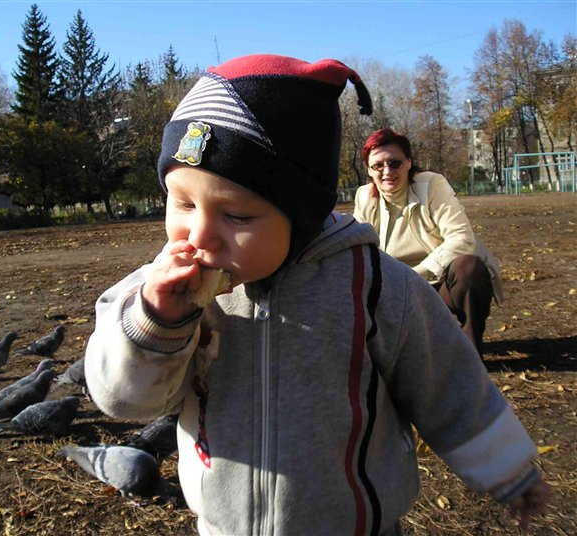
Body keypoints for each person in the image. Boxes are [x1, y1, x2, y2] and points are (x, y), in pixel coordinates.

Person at [84, 54, 550, 535]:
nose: (200, 235)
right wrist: (158, 324)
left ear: (300, 213)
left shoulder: (375, 286)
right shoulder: (160, 290)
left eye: (237, 216)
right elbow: (125, 401)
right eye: (182, 202)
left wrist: (509, 469)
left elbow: (449, 384)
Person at [354, 128, 503, 356]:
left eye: (395, 163)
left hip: (438, 281)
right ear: (369, 170)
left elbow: (461, 238)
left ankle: (471, 354)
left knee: (469, 268)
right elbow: (360, 252)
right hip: (394, 289)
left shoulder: (433, 184)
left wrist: (416, 277)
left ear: (409, 163)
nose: (387, 171)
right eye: (378, 166)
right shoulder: (364, 196)